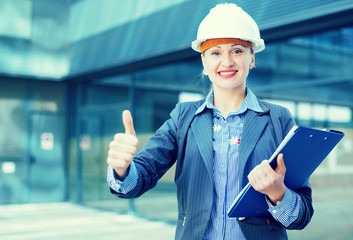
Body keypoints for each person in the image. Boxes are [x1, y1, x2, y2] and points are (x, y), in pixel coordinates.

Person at [106, 3, 313, 240]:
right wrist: (122, 170)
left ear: (252, 58)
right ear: (204, 62)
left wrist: (278, 194)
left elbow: (302, 213)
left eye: (237, 51)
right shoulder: (182, 118)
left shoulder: (279, 118)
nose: (226, 62)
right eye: (215, 52)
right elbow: (142, 175)